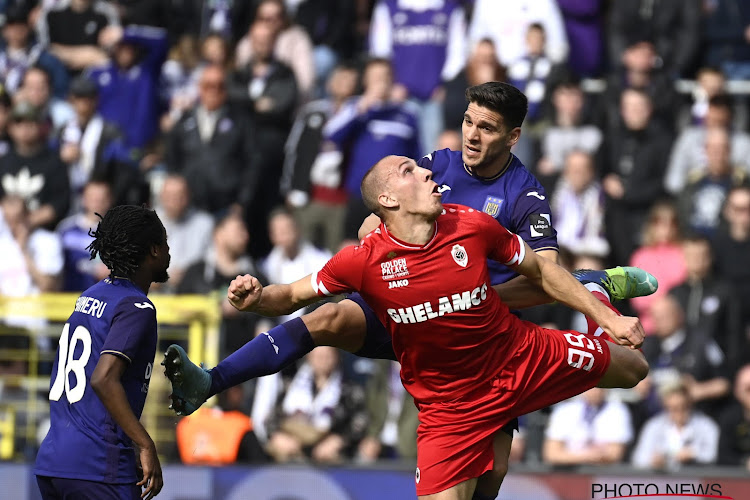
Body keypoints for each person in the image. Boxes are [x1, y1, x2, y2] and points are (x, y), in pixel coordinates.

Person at [164, 81, 657, 500]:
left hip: (477, 332)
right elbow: (369, 222)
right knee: (327, 318)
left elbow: (545, 276)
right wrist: (390, 253)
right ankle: (210, 381)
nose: (471, 135)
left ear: (513, 136)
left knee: (496, 472)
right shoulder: (432, 166)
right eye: (468, 121)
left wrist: (459, 291)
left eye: (486, 128)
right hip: (405, 313)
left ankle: (597, 288)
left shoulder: (519, 197)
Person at [34, 205, 169, 500]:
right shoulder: (137, 306)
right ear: (155, 250)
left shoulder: (90, 295)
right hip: (98, 467)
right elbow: (104, 379)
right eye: (166, 241)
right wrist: (145, 444)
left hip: (54, 461)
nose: (170, 250)